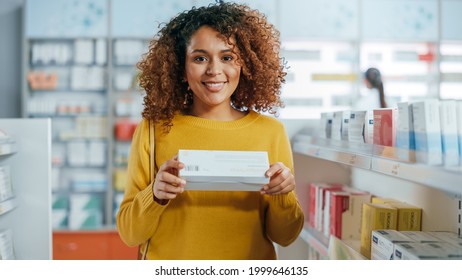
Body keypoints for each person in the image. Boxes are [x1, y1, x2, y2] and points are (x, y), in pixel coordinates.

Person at [116, 2, 304, 260]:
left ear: (244, 65)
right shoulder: (153, 129)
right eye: (200, 58)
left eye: (227, 57)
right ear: (181, 67)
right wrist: (155, 195)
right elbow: (129, 234)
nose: (214, 70)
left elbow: (285, 236)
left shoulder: (271, 132)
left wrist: (283, 195)